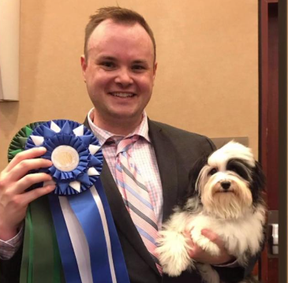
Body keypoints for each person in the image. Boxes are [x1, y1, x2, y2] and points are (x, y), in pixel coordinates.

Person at [0, 6, 258, 283]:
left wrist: (224, 257)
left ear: (154, 72)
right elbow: (30, 265)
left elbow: (248, 235)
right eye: (108, 64)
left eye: (137, 66)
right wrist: (4, 227)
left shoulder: (198, 151)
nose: (124, 78)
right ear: (85, 68)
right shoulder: (46, 160)